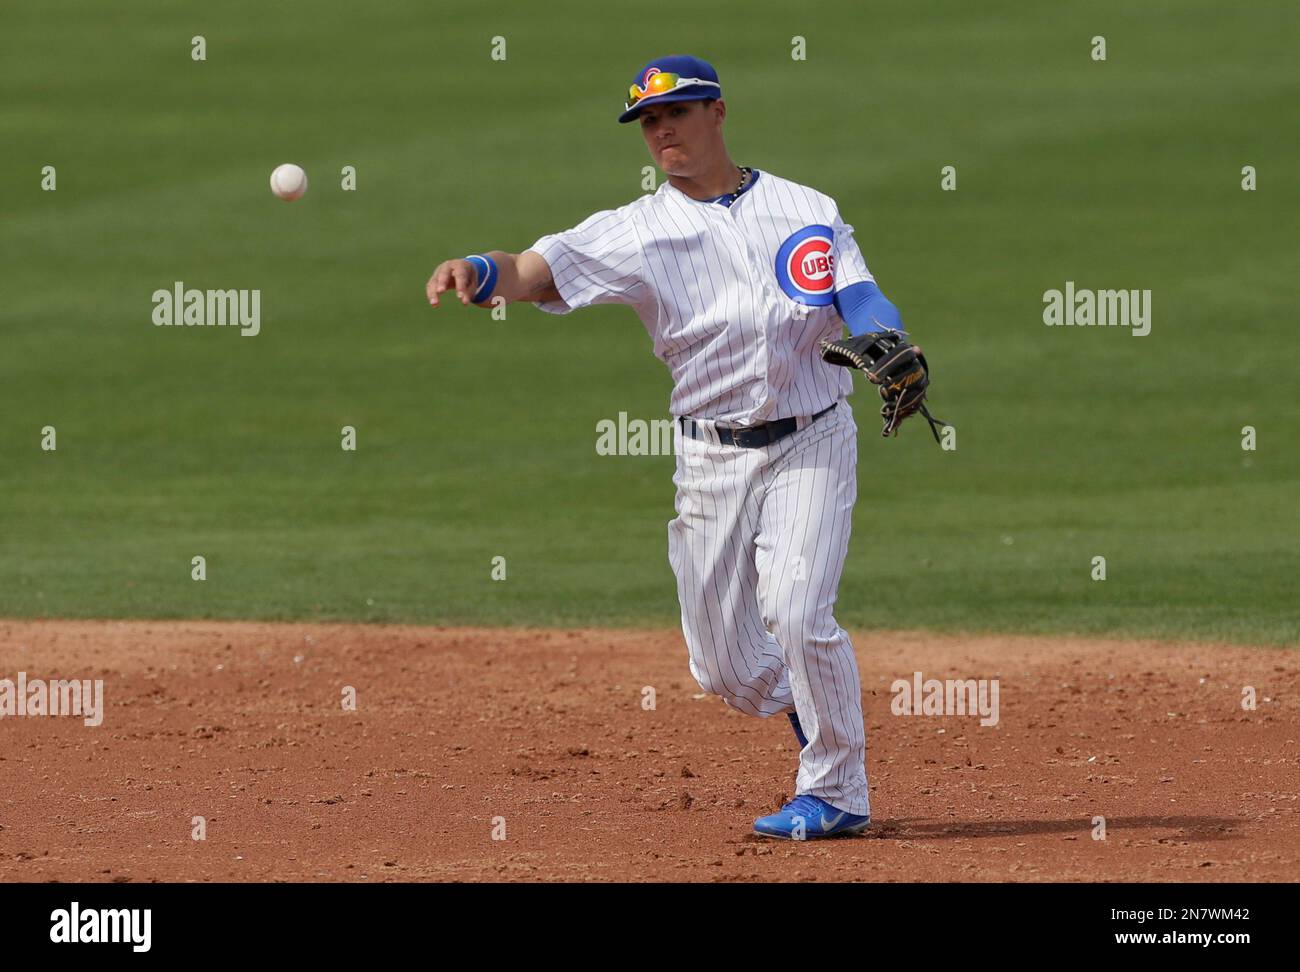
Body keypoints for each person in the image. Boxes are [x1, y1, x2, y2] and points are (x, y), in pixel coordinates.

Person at [427, 54, 939, 839]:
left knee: (800, 614)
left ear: (718, 113)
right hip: (711, 459)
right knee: (726, 670)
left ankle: (837, 790)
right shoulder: (634, 233)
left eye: (678, 113)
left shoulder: (805, 206)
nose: (661, 130)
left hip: (812, 440)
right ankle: (812, 701)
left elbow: (857, 293)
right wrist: (479, 272)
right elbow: (534, 271)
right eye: (648, 122)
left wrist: (883, 335)